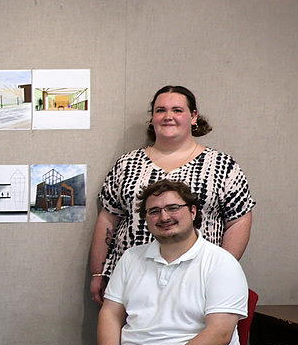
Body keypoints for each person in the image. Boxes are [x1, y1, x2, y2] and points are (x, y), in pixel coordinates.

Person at [52, 179, 248, 345]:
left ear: (192, 211)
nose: (163, 216)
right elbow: (110, 314)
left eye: (172, 208)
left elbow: (219, 334)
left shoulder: (221, 262)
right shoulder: (131, 258)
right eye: (154, 211)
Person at [87, 85, 254, 303]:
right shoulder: (127, 164)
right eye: (160, 110)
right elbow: (108, 217)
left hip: (198, 280)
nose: (168, 117)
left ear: (193, 117)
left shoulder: (221, 165)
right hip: (133, 279)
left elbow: (239, 220)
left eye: (177, 110)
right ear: (152, 118)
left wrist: (221, 271)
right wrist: (98, 273)